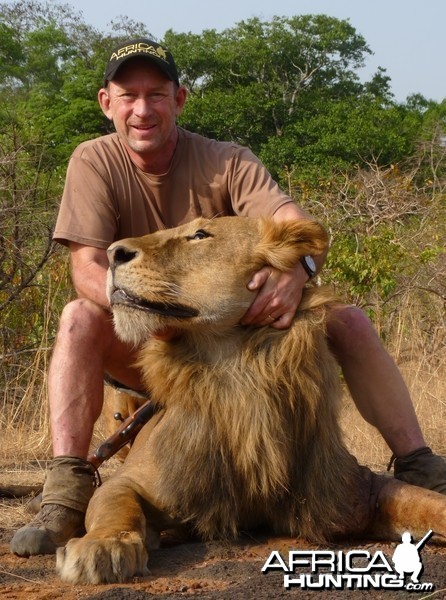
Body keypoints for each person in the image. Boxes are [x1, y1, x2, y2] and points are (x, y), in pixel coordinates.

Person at [10, 38, 446, 557]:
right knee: (79, 315)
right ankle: (67, 487)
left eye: (157, 94)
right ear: (108, 103)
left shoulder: (227, 161)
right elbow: (88, 269)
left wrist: (297, 271)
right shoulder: (94, 160)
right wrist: (159, 315)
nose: (142, 109)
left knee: (346, 318)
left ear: (180, 99)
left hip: (235, 341)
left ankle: (419, 461)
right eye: (128, 96)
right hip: (148, 344)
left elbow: (300, 232)